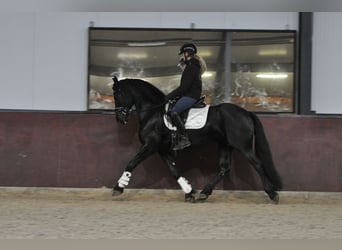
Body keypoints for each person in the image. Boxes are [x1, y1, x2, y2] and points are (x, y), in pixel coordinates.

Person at [165, 43, 207, 150]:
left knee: (174, 112)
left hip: (191, 96)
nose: (180, 57)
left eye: (181, 55)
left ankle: (184, 138)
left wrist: (168, 97)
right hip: (190, 94)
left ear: (187, 54)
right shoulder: (193, 66)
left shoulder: (191, 67)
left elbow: (184, 88)